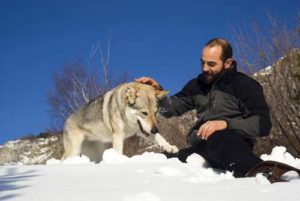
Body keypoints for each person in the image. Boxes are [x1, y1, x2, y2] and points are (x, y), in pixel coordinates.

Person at [135, 38, 272, 177]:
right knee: (165, 160)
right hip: (202, 148)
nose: (205, 68)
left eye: (211, 64)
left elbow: (263, 124)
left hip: (232, 145)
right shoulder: (196, 85)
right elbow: (168, 111)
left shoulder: (244, 85)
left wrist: (225, 124)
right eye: (202, 62)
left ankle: (263, 173)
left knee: (218, 138)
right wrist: (157, 93)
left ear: (227, 63)